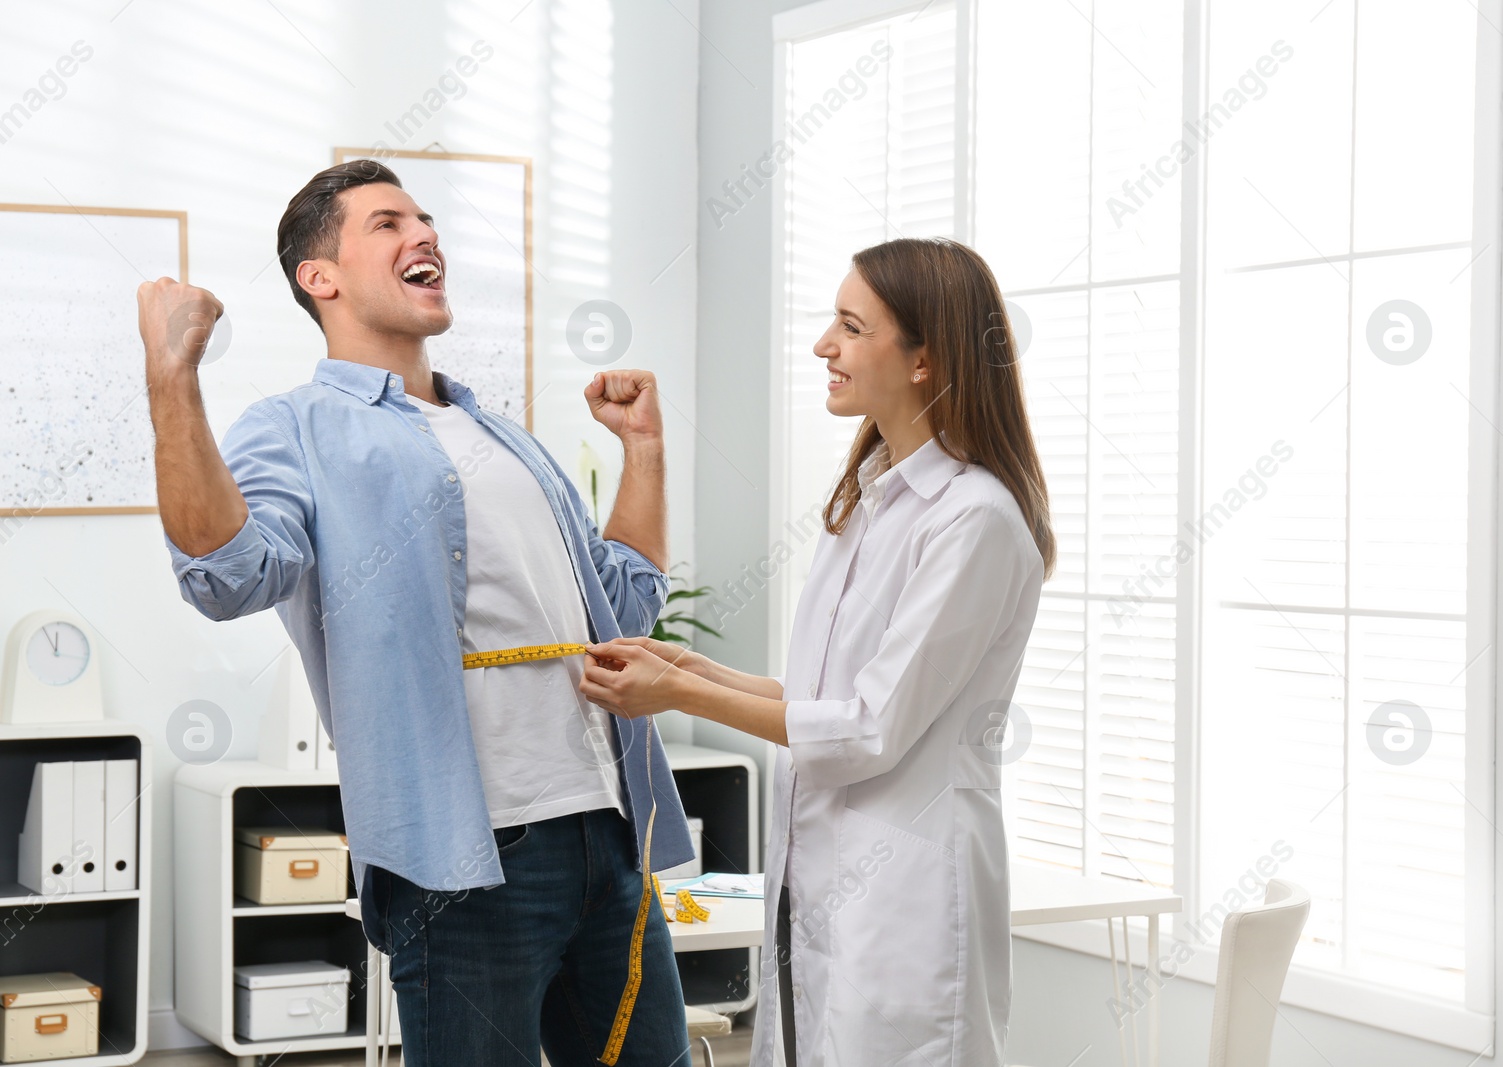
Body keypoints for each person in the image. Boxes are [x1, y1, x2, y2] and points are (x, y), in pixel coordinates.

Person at [137, 159, 694, 1065]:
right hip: (463, 861)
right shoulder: (294, 427)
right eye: (389, 223)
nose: (424, 235)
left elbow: (625, 602)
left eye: (426, 220)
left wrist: (646, 450)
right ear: (320, 278)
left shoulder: (508, 438)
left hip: (609, 832)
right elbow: (227, 576)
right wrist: (174, 377)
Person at [582, 237, 1054, 1066]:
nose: (821, 346)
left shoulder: (972, 518)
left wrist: (680, 695)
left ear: (923, 359)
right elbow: (820, 695)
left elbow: (868, 728)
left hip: (908, 894)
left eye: (849, 326)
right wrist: (690, 668)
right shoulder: (873, 496)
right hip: (823, 878)